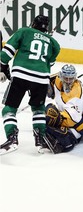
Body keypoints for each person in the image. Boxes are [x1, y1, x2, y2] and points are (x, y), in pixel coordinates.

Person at [0, 15, 60, 155]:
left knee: (9, 109)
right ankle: (40, 140)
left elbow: (6, 52)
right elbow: (49, 63)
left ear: (33, 23)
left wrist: (3, 66)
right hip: (41, 79)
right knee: (38, 109)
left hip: (21, 75)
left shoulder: (25, 31)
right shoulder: (53, 43)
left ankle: (12, 138)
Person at [44, 64, 83, 153]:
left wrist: (58, 119)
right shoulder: (57, 79)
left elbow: (73, 119)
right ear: (61, 76)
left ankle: (69, 142)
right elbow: (46, 79)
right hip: (81, 111)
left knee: (73, 132)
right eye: (66, 78)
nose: (68, 81)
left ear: (75, 77)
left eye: (71, 78)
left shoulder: (75, 93)